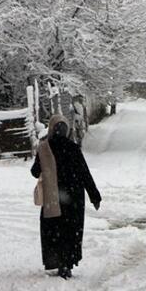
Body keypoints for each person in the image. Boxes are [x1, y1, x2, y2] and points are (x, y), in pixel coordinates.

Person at [31, 114, 101, 279]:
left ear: (51, 128)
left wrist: (44, 162)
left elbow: (34, 172)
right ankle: (67, 264)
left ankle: (56, 260)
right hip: (73, 198)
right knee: (71, 230)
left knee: (54, 230)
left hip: (53, 197)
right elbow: (84, 173)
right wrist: (94, 195)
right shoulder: (73, 147)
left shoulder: (44, 148)